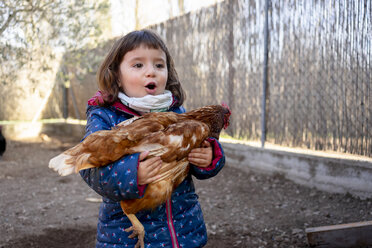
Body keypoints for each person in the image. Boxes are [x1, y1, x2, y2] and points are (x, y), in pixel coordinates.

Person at [80, 29, 225, 248]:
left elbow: (198, 164)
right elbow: (87, 165)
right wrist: (132, 172)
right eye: (138, 65)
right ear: (117, 75)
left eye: (159, 65)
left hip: (183, 230)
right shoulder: (106, 116)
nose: (151, 72)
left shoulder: (178, 114)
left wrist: (208, 157)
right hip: (126, 238)